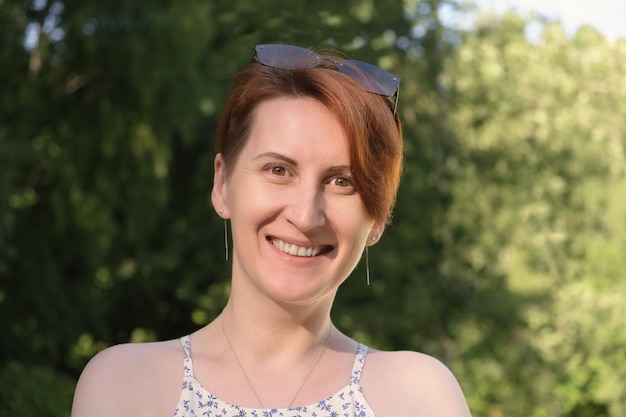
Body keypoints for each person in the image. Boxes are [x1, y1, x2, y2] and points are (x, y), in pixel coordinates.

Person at [71, 44, 472, 417]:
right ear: (222, 184)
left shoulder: (417, 396)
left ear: (378, 218)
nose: (305, 215)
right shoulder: (125, 386)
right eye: (278, 170)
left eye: (342, 182)